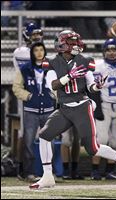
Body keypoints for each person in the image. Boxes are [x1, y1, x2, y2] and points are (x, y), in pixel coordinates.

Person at [29, 30, 116, 189]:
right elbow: (54, 85)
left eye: (76, 42)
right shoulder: (53, 62)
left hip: (81, 107)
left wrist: (97, 86)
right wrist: (69, 76)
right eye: (72, 43)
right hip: (64, 108)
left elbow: (91, 87)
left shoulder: (84, 61)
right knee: (44, 136)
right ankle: (47, 175)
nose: (76, 45)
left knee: (93, 148)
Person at [90, 38, 116, 180]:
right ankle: (95, 170)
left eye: (114, 50)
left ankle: (110, 170)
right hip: (105, 105)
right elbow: (94, 89)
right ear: (104, 52)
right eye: (108, 50)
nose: (112, 53)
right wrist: (97, 108)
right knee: (101, 140)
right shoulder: (99, 66)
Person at [12, 42, 55, 182]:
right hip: (31, 111)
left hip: (48, 110)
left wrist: (54, 96)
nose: (39, 52)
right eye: (36, 50)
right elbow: (16, 87)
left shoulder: (51, 69)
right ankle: (29, 172)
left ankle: (48, 172)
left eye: (41, 49)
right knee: (29, 141)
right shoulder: (25, 69)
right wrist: (28, 96)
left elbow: (58, 85)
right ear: (32, 52)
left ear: (45, 51)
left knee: (49, 141)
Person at [12, 21, 44, 180]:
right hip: (25, 95)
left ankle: (24, 168)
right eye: (34, 35)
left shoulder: (38, 52)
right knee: (27, 134)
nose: (37, 37)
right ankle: (23, 168)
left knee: (35, 135)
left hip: (40, 96)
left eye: (39, 34)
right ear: (26, 36)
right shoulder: (21, 52)